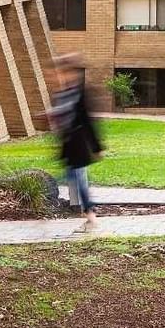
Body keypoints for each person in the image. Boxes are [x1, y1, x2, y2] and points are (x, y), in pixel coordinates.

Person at [50, 55, 103, 232]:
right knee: (73, 178)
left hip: (78, 144)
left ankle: (90, 213)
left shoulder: (80, 94)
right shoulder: (61, 94)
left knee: (79, 179)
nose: (59, 76)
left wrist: (96, 147)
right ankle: (82, 210)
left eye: (62, 72)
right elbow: (59, 118)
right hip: (67, 144)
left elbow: (88, 121)